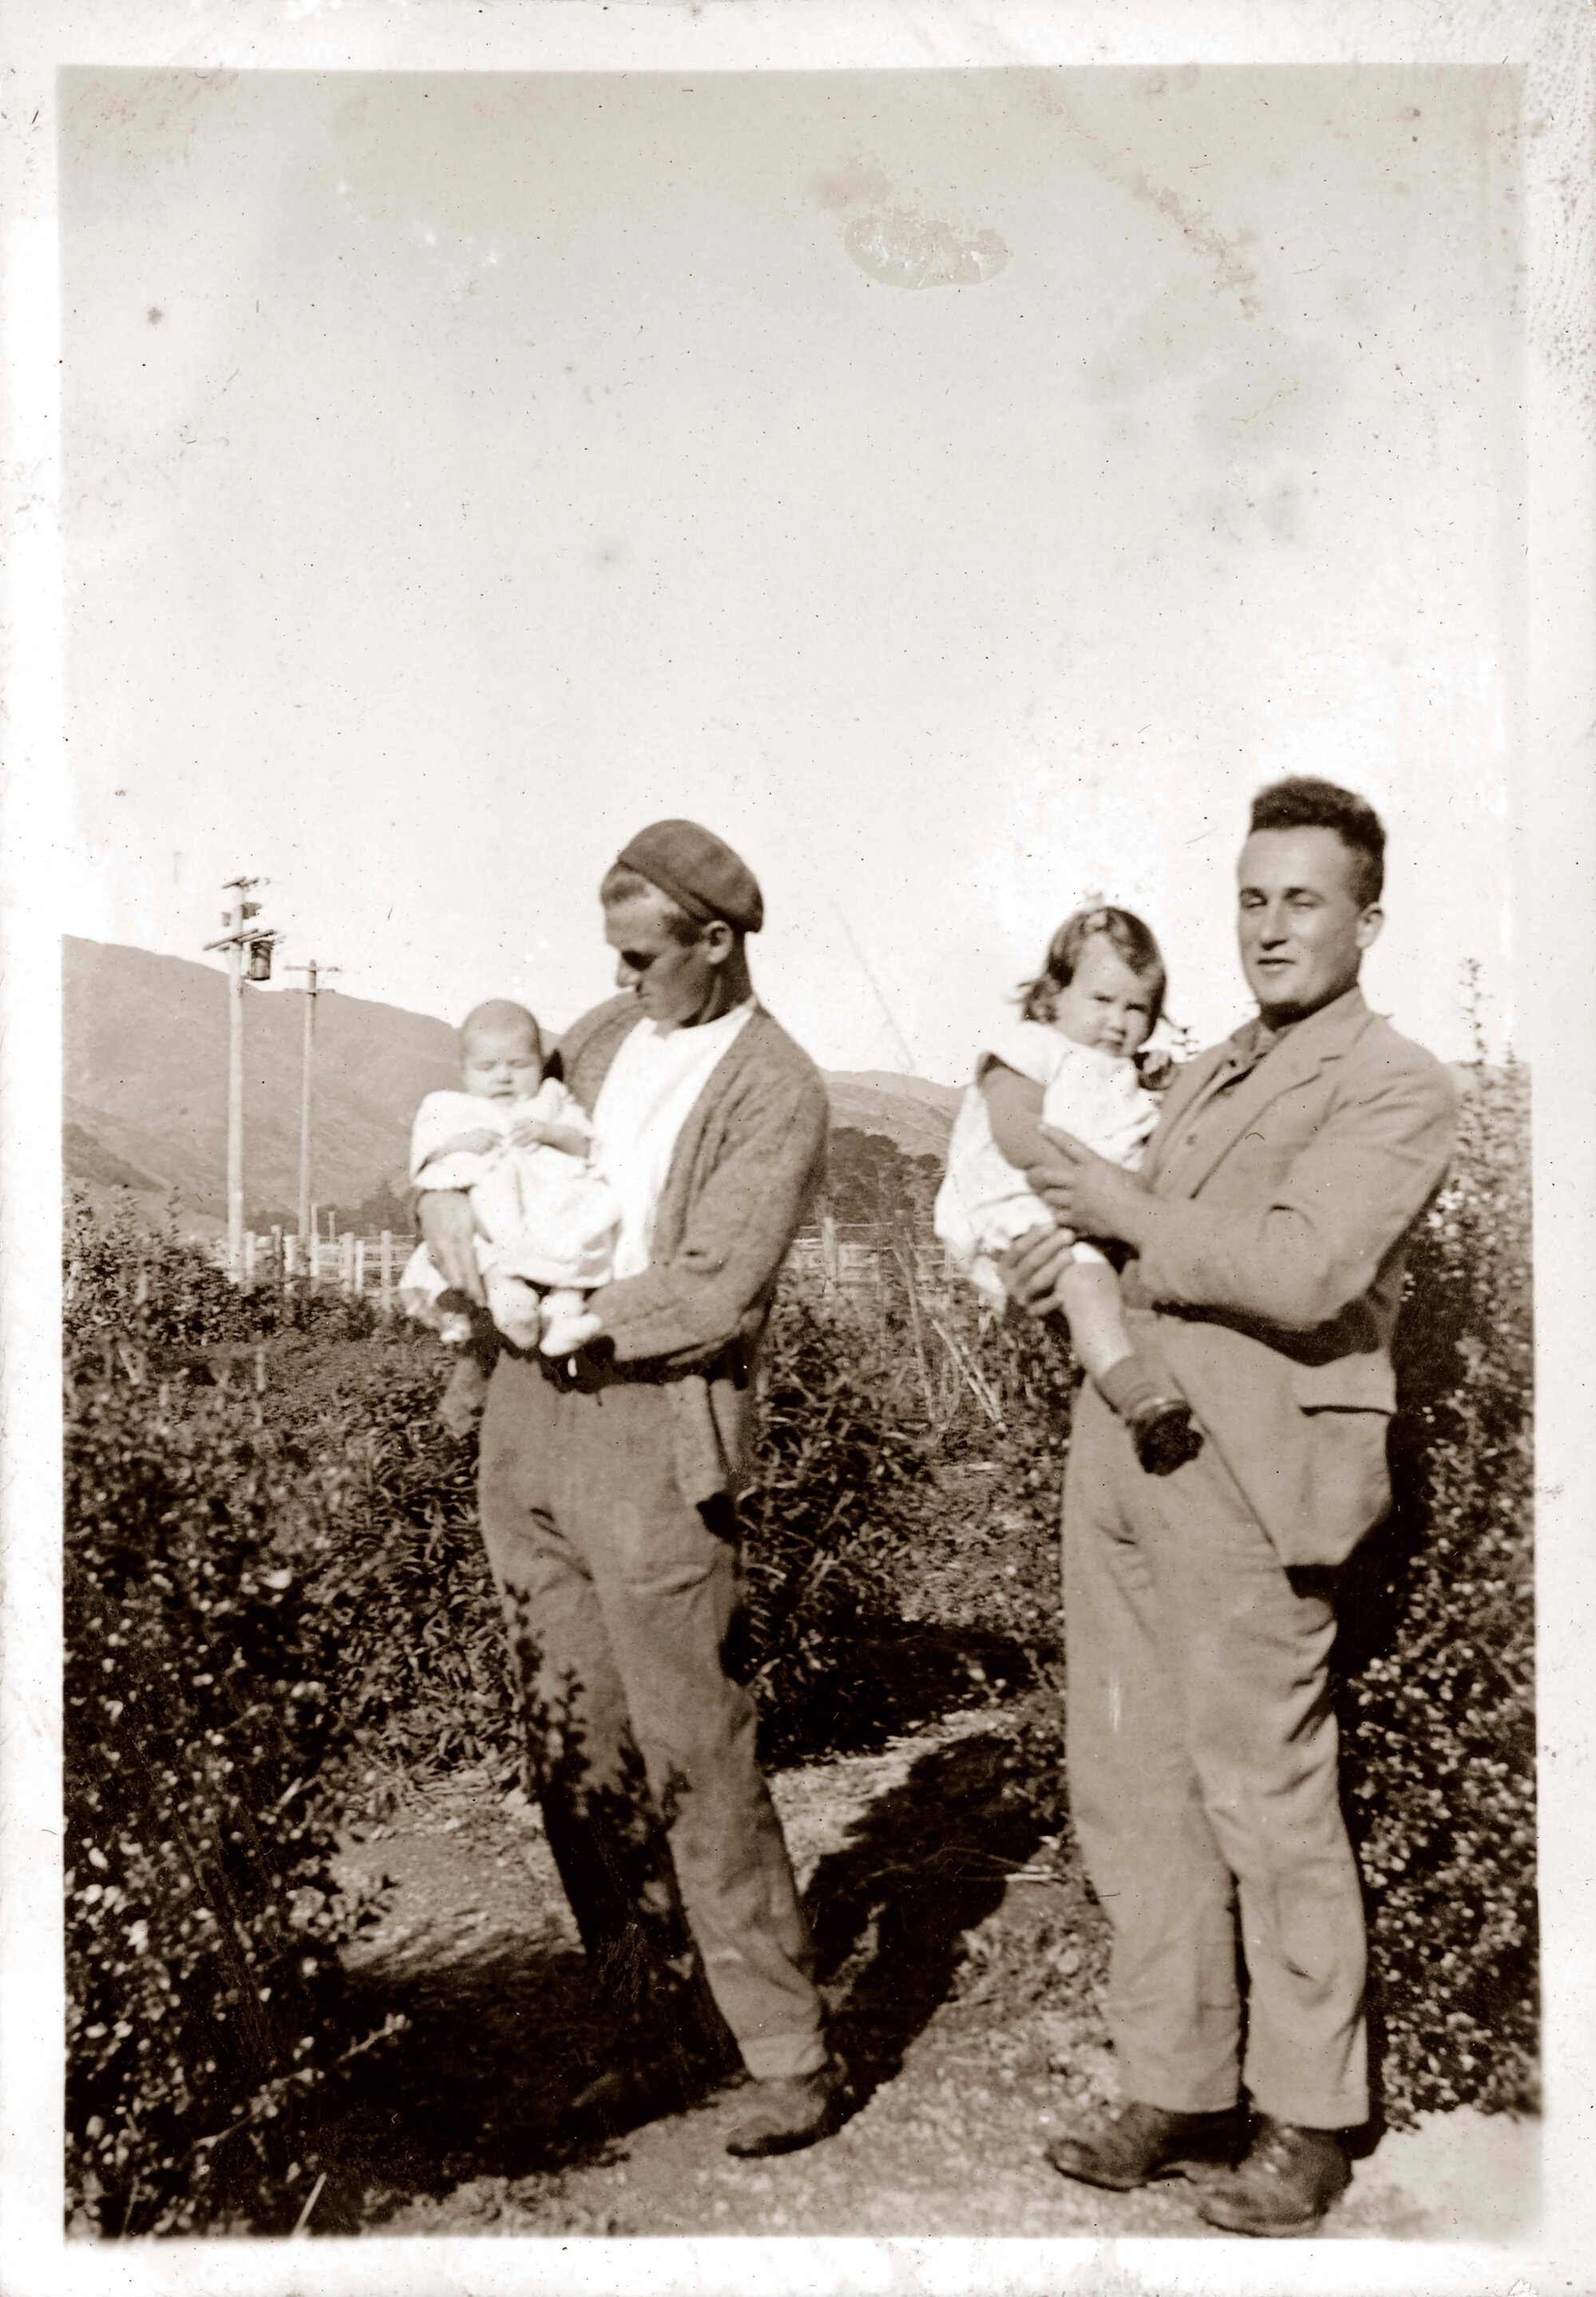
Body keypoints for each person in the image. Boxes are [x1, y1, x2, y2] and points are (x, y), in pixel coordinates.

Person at [1004, 778, 1459, 2236]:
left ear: (1365, 920)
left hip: (1255, 1473)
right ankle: (1174, 2080)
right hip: (1124, 1450)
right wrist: (1059, 1249)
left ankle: (1309, 2113)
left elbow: (1303, 1267)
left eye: (1302, 899)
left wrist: (1115, 1214)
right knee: (1131, 1785)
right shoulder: (1202, 1069)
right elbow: (1120, 1213)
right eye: (1250, 898)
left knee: (1263, 1793)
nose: (1268, 927)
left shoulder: (1394, 1082)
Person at [417, 821, 846, 2159]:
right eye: (613, 949)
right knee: (575, 1751)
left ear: (715, 945)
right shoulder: (595, 1040)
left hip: (657, 1436)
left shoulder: (775, 1086)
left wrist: (575, 1310)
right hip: (531, 1428)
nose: (620, 971)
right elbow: (475, 1154)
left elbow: (718, 1284)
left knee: (694, 1751)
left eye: (643, 952)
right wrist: (472, 1288)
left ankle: (784, 2047)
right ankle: (650, 2026)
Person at [935, 905, 1199, 1474]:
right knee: (1085, 1283)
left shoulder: (1124, 1066)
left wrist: (1161, 1083)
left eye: (1137, 1008)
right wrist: (1075, 1190)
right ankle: (1138, 1399)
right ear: (1054, 995)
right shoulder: (1033, 1045)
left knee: (1101, 1285)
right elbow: (1013, 1128)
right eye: (1101, 1000)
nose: (1118, 1021)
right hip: (1026, 1199)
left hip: (1089, 1206)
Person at [398, 999, 620, 1434]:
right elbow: (425, 1165)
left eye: (518, 1065)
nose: (503, 1077)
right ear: (464, 1071)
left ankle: (564, 1308)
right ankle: (504, 1298)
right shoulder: (453, 1109)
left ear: (540, 1064)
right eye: (488, 1068)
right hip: (494, 1212)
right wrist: (457, 1145)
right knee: (483, 1245)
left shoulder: (551, 1100)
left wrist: (548, 1133)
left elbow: (584, 1143)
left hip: (549, 1203)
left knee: (580, 1232)